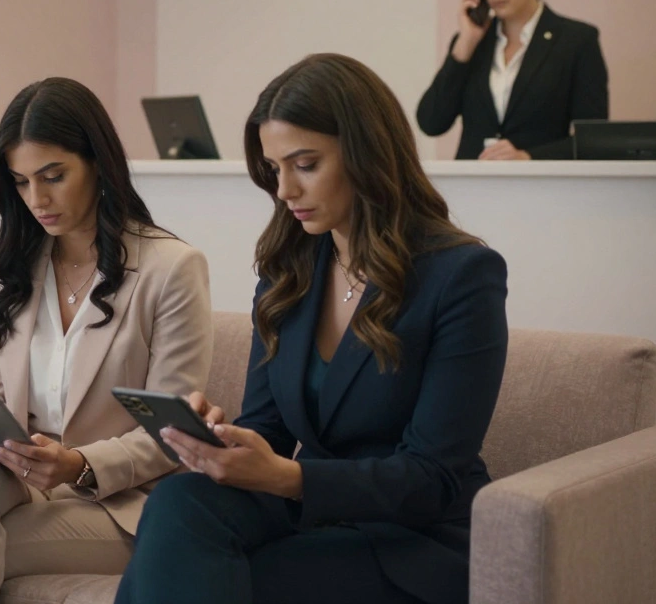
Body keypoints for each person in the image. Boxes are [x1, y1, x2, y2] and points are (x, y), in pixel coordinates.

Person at [115, 54, 508, 604]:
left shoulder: (461, 276)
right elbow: (269, 429)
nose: (285, 190)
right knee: (179, 503)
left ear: (367, 153)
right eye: (275, 169)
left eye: (305, 164)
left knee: (240, 577)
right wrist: (226, 445)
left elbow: (432, 478)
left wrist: (286, 478)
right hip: (312, 514)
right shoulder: (288, 272)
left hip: (413, 538)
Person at [0, 77, 213, 604]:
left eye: (54, 176)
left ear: (98, 164)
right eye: (20, 182)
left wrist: (77, 464)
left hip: (117, 503)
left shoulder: (171, 269)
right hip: (18, 482)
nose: (37, 199)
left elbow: (171, 433)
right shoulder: (11, 268)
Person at [417, 0, 608, 160]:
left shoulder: (577, 40)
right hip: (474, 190)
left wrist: (528, 157)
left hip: (542, 190)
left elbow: (593, 141)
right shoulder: (471, 43)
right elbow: (431, 122)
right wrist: (465, 44)